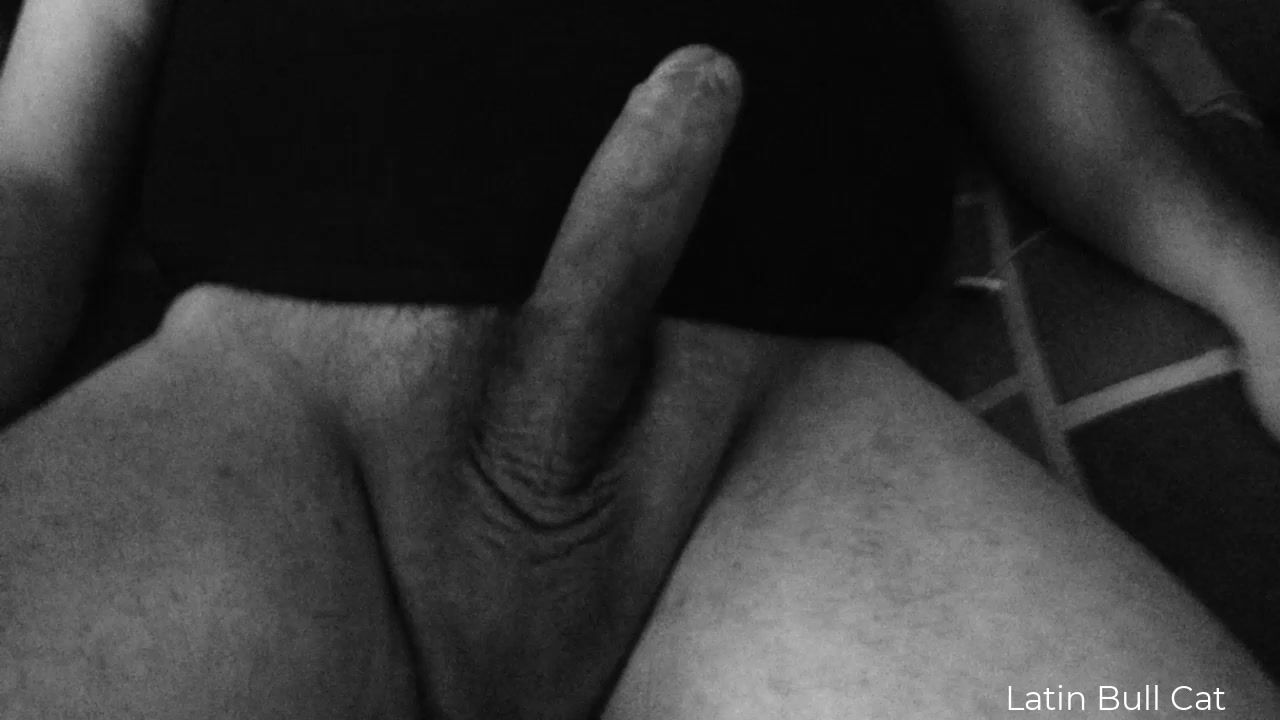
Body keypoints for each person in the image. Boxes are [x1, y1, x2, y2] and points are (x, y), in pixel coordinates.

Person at [0, 1, 1278, 719]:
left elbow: (1020, 36)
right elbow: (39, 167)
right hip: (275, 446)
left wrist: (1256, 288)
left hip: (770, 471)